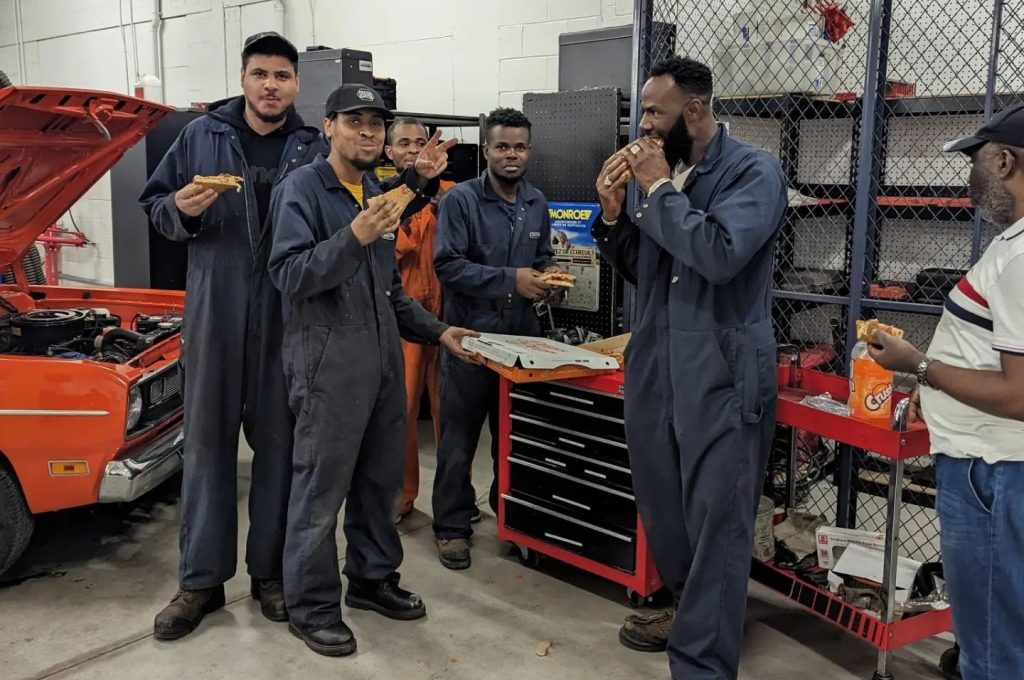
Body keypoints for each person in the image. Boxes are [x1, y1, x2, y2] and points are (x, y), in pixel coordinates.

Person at [267, 83, 478, 657]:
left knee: (379, 483)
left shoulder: (381, 189)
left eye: (376, 124)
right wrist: (353, 237)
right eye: (355, 121)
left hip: (383, 360)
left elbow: (387, 291)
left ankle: (371, 578)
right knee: (319, 492)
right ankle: (310, 606)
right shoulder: (303, 189)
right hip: (329, 367)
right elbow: (288, 275)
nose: (367, 132)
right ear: (328, 126)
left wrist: (439, 332)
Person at [593, 56, 786, 679]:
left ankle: (702, 663)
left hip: (721, 373)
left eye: (655, 111)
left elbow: (718, 254)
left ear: (694, 111)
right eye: (644, 110)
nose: (644, 123)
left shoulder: (752, 172)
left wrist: (654, 191)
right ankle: (690, 611)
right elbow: (643, 270)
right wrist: (615, 213)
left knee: (717, 523)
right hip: (657, 364)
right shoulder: (669, 174)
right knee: (665, 509)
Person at [139, 31, 325, 641]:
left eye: (281, 75)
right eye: (259, 74)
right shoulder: (201, 136)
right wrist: (182, 211)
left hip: (286, 312)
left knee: (278, 450)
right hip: (216, 308)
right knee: (207, 447)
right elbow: (156, 205)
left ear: (297, 83)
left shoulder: (314, 148)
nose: (270, 85)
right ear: (244, 79)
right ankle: (200, 581)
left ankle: (268, 574)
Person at [868, 104, 1024, 680]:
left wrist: (921, 366)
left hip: (993, 473)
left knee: (991, 645)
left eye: (975, 160)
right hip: (1002, 469)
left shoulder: (1018, 257)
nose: (970, 176)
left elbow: (1019, 394)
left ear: (1005, 160)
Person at [430, 107, 562, 570]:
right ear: (486, 149)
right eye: (502, 146)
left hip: (521, 346)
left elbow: (542, 256)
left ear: (529, 151)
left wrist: (547, 277)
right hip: (471, 343)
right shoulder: (460, 201)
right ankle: (450, 526)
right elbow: (447, 265)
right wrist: (514, 280)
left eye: (520, 147)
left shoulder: (537, 203)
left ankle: (510, 515)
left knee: (512, 438)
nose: (512, 155)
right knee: (458, 440)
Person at [382, 117, 466, 523]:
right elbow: (392, 254)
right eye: (404, 144)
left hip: (450, 318)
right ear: (390, 153)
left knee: (453, 415)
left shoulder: (453, 196)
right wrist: (414, 202)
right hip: (408, 324)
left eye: (420, 142)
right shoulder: (386, 199)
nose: (414, 150)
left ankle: (455, 500)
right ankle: (401, 497)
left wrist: (441, 204)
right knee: (403, 414)